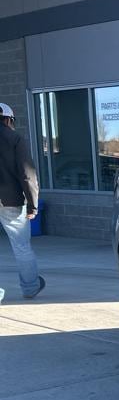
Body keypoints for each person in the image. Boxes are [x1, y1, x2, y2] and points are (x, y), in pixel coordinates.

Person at [0, 101, 44, 299]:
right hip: (10, 201)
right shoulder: (15, 138)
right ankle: (30, 287)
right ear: (8, 120)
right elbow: (28, 174)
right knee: (21, 247)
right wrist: (33, 205)